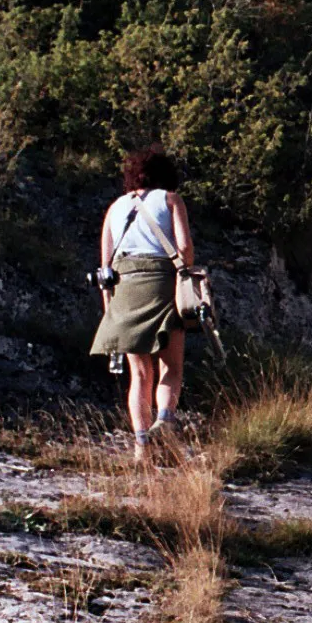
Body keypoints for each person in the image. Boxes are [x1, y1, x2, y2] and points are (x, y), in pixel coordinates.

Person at [90, 144, 198, 461]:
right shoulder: (170, 200)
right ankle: (164, 420)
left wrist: (109, 305)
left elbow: (105, 266)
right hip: (163, 283)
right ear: (167, 175)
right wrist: (184, 276)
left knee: (138, 374)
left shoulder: (115, 208)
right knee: (171, 365)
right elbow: (185, 247)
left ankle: (141, 447)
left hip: (126, 287)